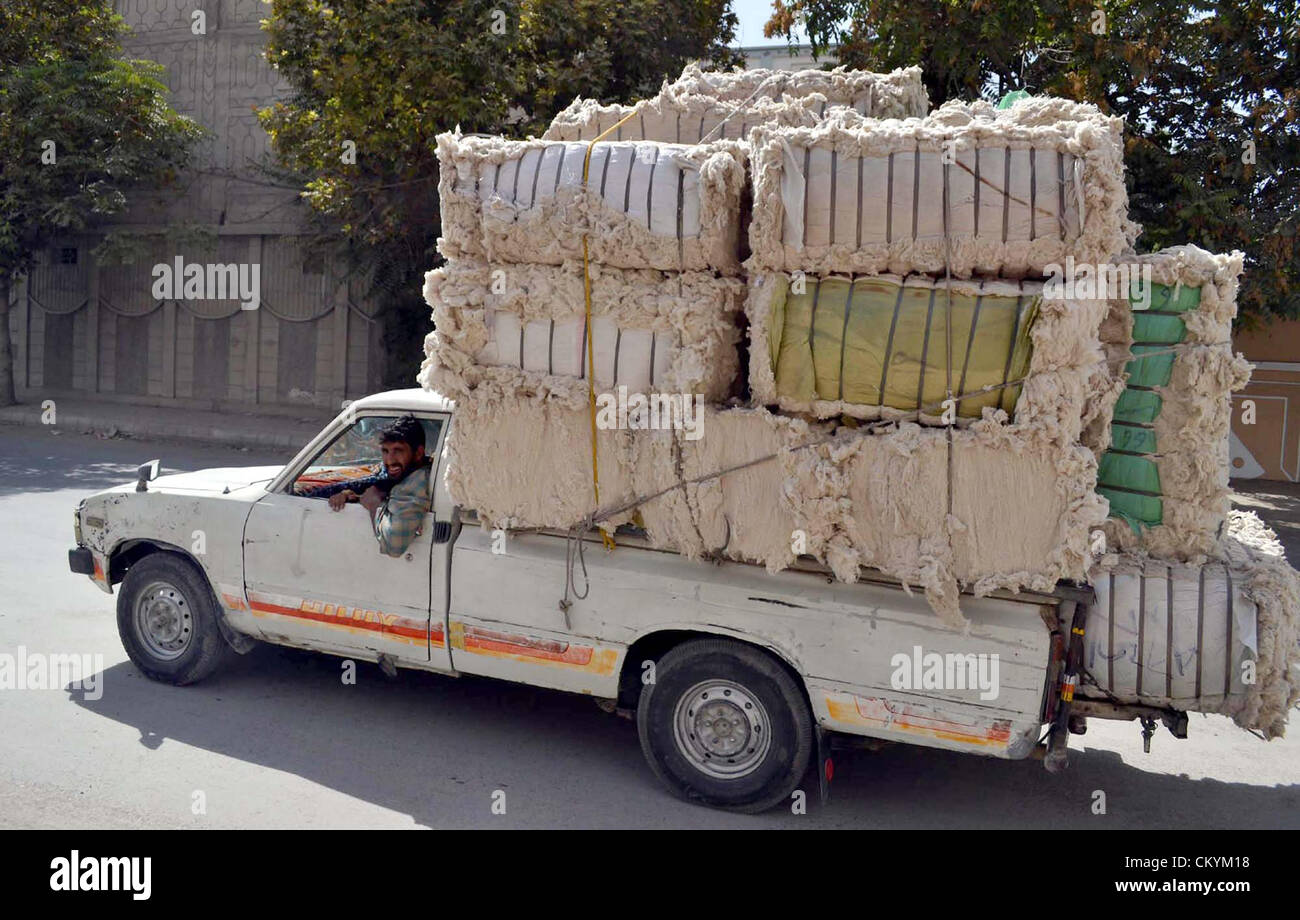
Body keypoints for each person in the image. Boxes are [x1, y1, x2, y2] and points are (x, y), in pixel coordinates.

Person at [312, 415, 432, 557]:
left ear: (418, 453)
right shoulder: (407, 475)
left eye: (398, 451)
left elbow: (394, 545)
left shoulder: (415, 482)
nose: (389, 460)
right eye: (385, 451)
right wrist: (351, 496)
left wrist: (375, 504)